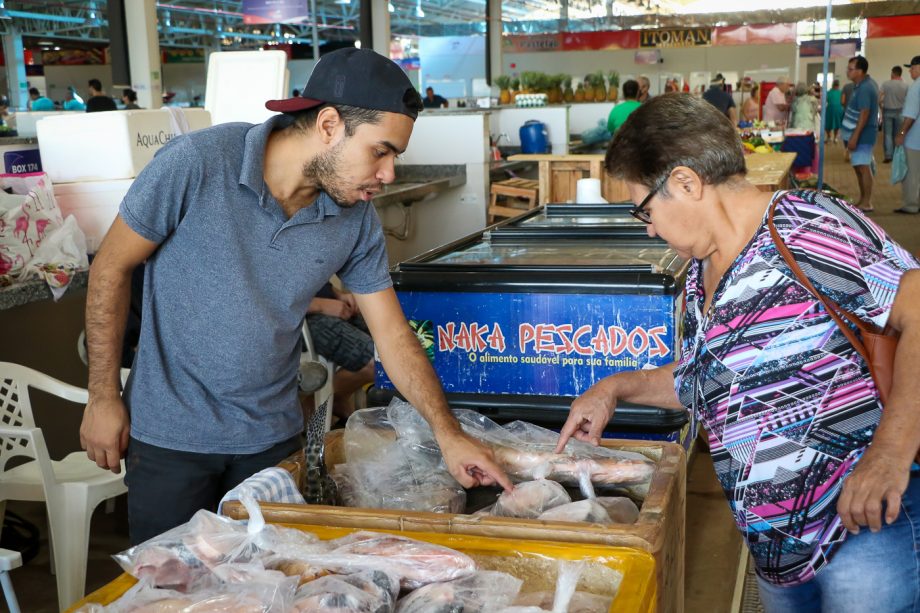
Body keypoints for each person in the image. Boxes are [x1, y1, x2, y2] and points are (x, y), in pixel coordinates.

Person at [79, 48, 512, 545]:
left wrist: (448, 433)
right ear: (328, 125)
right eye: (380, 151)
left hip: (272, 440)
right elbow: (110, 268)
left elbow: (392, 336)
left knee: (273, 577)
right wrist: (103, 397)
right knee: (171, 578)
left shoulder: (354, 219)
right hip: (172, 438)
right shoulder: (197, 163)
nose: (389, 173)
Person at [556, 93, 920, 613]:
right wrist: (613, 389)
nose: (650, 228)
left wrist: (888, 455)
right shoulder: (701, 274)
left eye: (646, 210)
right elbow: (705, 379)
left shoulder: (805, 227)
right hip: (773, 553)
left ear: (686, 183)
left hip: (861, 534)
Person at [304, 282, 375, 419]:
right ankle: (312, 407)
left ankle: (337, 400)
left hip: (324, 306)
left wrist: (337, 294)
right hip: (298, 321)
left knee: (392, 348)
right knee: (379, 361)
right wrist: (321, 305)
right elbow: (269, 300)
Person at [841, 55, 879, 213]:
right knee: (859, 167)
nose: (847, 71)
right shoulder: (860, 85)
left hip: (863, 135)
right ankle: (863, 199)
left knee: (863, 168)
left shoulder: (865, 88)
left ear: (860, 71)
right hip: (858, 134)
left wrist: (855, 137)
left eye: (851, 69)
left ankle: (867, 202)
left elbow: (865, 113)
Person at [895, 55, 920, 215]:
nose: (910, 71)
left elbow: (910, 115)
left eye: (913, 68)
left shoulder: (916, 86)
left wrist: (902, 133)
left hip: (915, 140)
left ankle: (911, 205)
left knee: (911, 173)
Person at [880, 66, 910, 163]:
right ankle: (898, 155)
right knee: (899, 134)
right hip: (901, 112)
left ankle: (888, 155)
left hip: (887, 111)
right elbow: (909, 100)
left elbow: (879, 98)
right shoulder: (905, 85)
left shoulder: (886, 84)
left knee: (887, 134)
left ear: (893, 73)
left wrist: (881, 107)